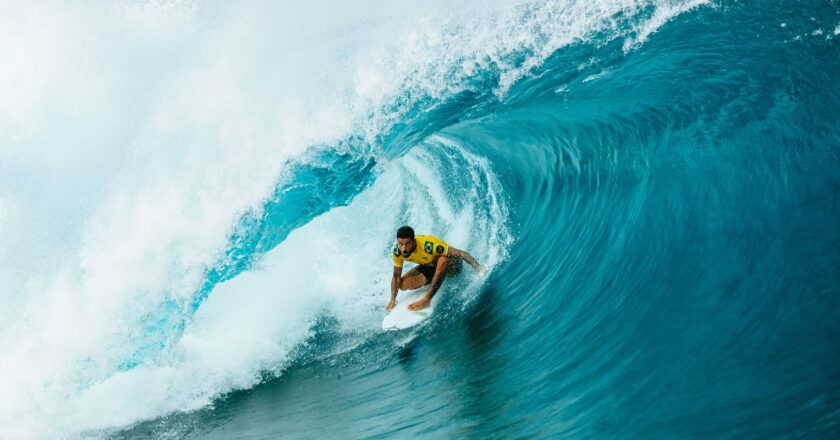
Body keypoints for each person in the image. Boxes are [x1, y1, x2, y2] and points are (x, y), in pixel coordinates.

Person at [386, 225, 484, 311]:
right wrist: (392, 300)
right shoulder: (398, 252)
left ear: (414, 241)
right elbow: (396, 276)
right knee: (402, 284)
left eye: (407, 243)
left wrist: (479, 268)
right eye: (400, 244)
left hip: (453, 266)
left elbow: (461, 253)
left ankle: (427, 299)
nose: (403, 248)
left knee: (442, 260)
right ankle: (432, 281)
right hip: (430, 266)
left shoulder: (429, 246)